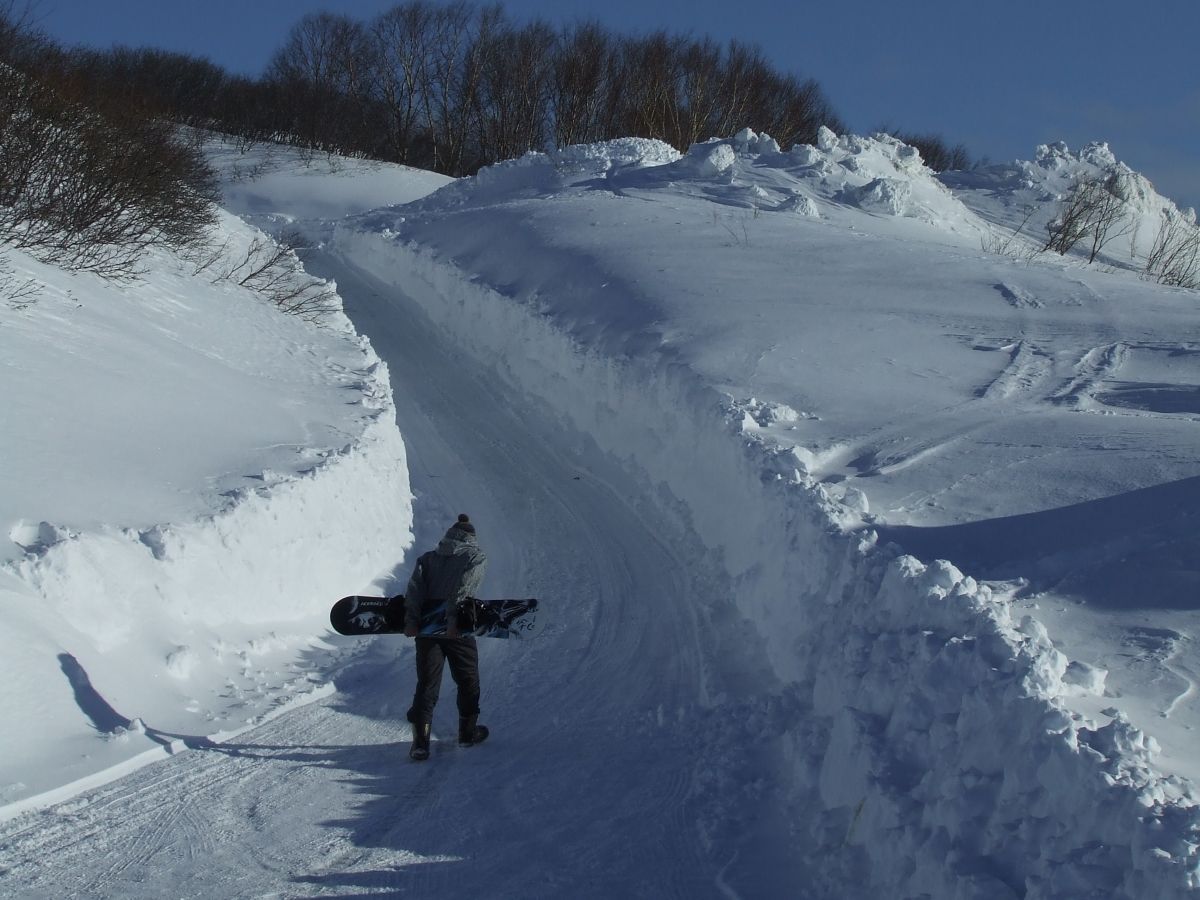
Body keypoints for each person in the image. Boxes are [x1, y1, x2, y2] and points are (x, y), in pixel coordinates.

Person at [403, 513, 489, 761]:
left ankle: (420, 743)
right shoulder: (475, 557)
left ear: (449, 536)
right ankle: (467, 733)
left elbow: (414, 591)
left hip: (427, 630)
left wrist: (411, 622)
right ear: (470, 537)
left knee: (427, 684)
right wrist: (453, 621)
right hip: (458, 630)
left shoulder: (427, 559)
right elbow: (464, 589)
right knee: (468, 680)